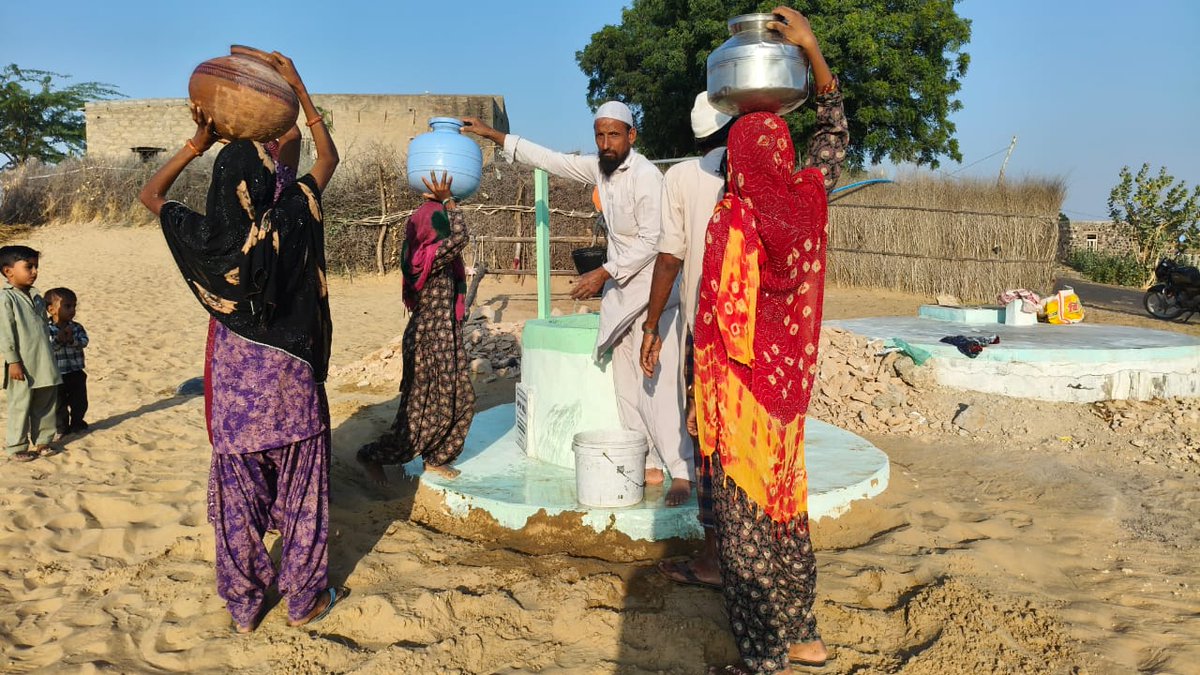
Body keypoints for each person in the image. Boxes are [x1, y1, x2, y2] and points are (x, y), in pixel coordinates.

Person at [138, 49, 341, 633]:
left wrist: (195, 146)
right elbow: (322, 154)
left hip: (236, 383)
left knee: (238, 497)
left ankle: (246, 607)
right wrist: (297, 85)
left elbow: (151, 197)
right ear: (275, 178)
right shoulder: (297, 212)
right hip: (293, 375)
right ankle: (304, 601)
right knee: (303, 493)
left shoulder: (213, 239)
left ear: (222, 189)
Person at [692, 8, 848, 673]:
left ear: (740, 160)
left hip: (743, 396)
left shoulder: (737, 215)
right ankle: (804, 634)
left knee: (745, 529)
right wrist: (812, 52)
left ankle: (761, 658)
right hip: (787, 400)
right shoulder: (809, 202)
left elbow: (721, 325)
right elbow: (834, 133)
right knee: (787, 517)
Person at [461, 104, 695, 506]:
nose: (606, 144)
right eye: (600, 136)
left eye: (614, 136)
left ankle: (683, 472)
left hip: (656, 296)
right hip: (622, 295)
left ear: (631, 136)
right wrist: (493, 135)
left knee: (658, 384)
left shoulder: (646, 178)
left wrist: (602, 273)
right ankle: (653, 462)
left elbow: (652, 241)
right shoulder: (600, 170)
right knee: (627, 390)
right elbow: (552, 160)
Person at [641, 91, 734, 589]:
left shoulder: (680, 176)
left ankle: (714, 557)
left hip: (710, 333)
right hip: (757, 334)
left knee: (710, 441)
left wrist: (652, 324)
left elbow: (671, 257)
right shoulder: (766, 172)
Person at [356, 171, 474, 485]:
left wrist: (447, 199)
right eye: (441, 225)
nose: (445, 230)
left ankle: (436, 458)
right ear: (429, 230)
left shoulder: (436, 255)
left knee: (461, 400)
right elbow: (461, 237)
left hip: (442, 335)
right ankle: (372, 454)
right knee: (421, 413)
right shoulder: (428, 257)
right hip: (429, 340)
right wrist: (448, 200)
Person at [0, 245, 61, 462]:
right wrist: (13, 361)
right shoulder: (6, 299)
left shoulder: (37, 297)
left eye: (36, 266)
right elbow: (5, 334)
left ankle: (43, 441)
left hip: (45, 362)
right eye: (29, 267)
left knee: (45, 404)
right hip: (22, 365)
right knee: (20, 405)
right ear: (9, 271)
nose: (35, 271)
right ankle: (16, 446)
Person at [45, 287, 89, 436]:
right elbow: (47, 348)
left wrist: (71, 340)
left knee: (80, 401)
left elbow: (84, 341)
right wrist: (58, 340)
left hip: (76, 372)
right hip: (57, 374)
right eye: (67, 306)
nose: (72, 310)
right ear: (51, 309)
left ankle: (78, 423)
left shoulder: (76, 327)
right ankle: (62, 428)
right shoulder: (47, 329)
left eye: (74, 306)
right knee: (59, 404)